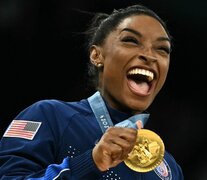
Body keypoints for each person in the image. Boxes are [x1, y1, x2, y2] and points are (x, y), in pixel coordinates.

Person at [0, 4, 184, 180]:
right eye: (130, 40)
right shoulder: (50, 116)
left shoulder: (168, 166)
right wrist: (91, 162)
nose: (150, 56)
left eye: (162, 49)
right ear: (97, 55)